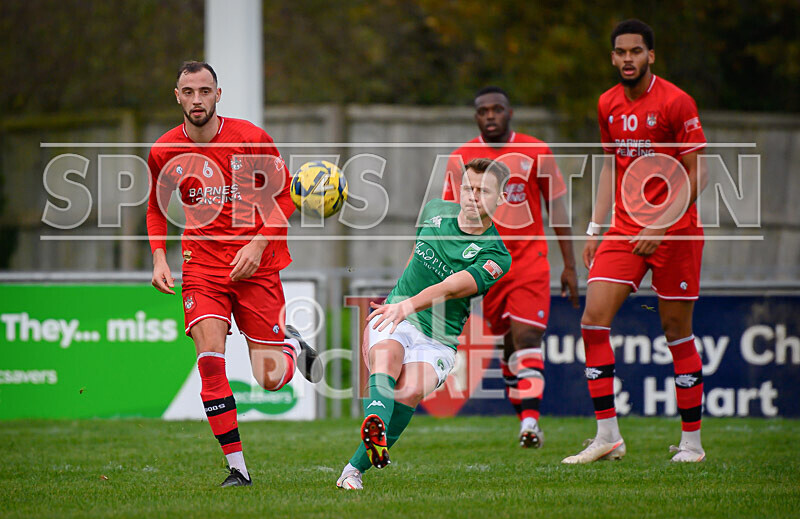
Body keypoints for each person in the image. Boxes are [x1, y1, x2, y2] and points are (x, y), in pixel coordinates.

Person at [146, 61, 319, 487]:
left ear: (218, 95)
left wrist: (258, 244)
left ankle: (291, 346)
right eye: (188, 92)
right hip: (201, 266)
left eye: (205, 91)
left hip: (256, 266)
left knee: (272, 380)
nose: (197, 100)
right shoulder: (164, 150)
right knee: (210, 362)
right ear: (177, 96)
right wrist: (158, 257)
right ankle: (237, 470)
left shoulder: (250, 138)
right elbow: (154, 206)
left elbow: (288, 196)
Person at [562, 19, 708, 464]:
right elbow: (611, 166)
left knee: (676, 333)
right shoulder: (607, 102)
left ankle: (692, 445)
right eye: (621, 52)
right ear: (612, 58)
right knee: (592, 320)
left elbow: (699, 171)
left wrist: (661, 224)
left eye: (636, 51)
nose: (628, 59)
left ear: (651, 56)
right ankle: (608, 437)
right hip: (625, 229)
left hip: (675, 231)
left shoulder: (677, 101)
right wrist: (595, 228)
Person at [336, 158, 513, 490]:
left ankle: (353, 469)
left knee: (411, 390)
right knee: (386, 360)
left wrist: (407, 305)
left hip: (438, 337)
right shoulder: (434, 210)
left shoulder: (496, 255)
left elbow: (450, 287)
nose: (473, 196)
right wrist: (397, 301)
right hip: (394, 315)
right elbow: (415, 256)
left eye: (483, 191)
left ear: (501, 198)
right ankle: (374, 425)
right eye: (468, 188)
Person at [442, 87, 579, 448]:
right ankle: (526, 420)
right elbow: (449, 217)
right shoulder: (460, 158)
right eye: (483, 110)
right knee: (507, 346)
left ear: (510, 112)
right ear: (475, 116)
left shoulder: (536, 152)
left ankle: (530, 423)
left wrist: (569, 265)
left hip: (530, 261)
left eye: (497, 109)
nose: (490, 115)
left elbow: (558, 210)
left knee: (527, 336)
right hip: (487, 265)